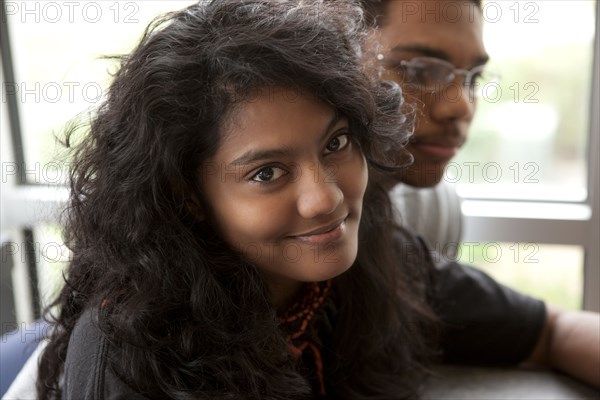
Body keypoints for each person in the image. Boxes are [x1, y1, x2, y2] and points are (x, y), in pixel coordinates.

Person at [35, 1, 435, 398]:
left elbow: (490, 317)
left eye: (336, 143)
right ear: (187, 196)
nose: (325, 199)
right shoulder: (131, 353)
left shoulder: (369, 246)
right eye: (267, 173)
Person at [358, 0, 600, 388]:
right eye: (420, 70)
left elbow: (552, 329)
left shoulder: (406, 240)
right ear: (330, 57)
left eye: (473, 78)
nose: (462, 105)